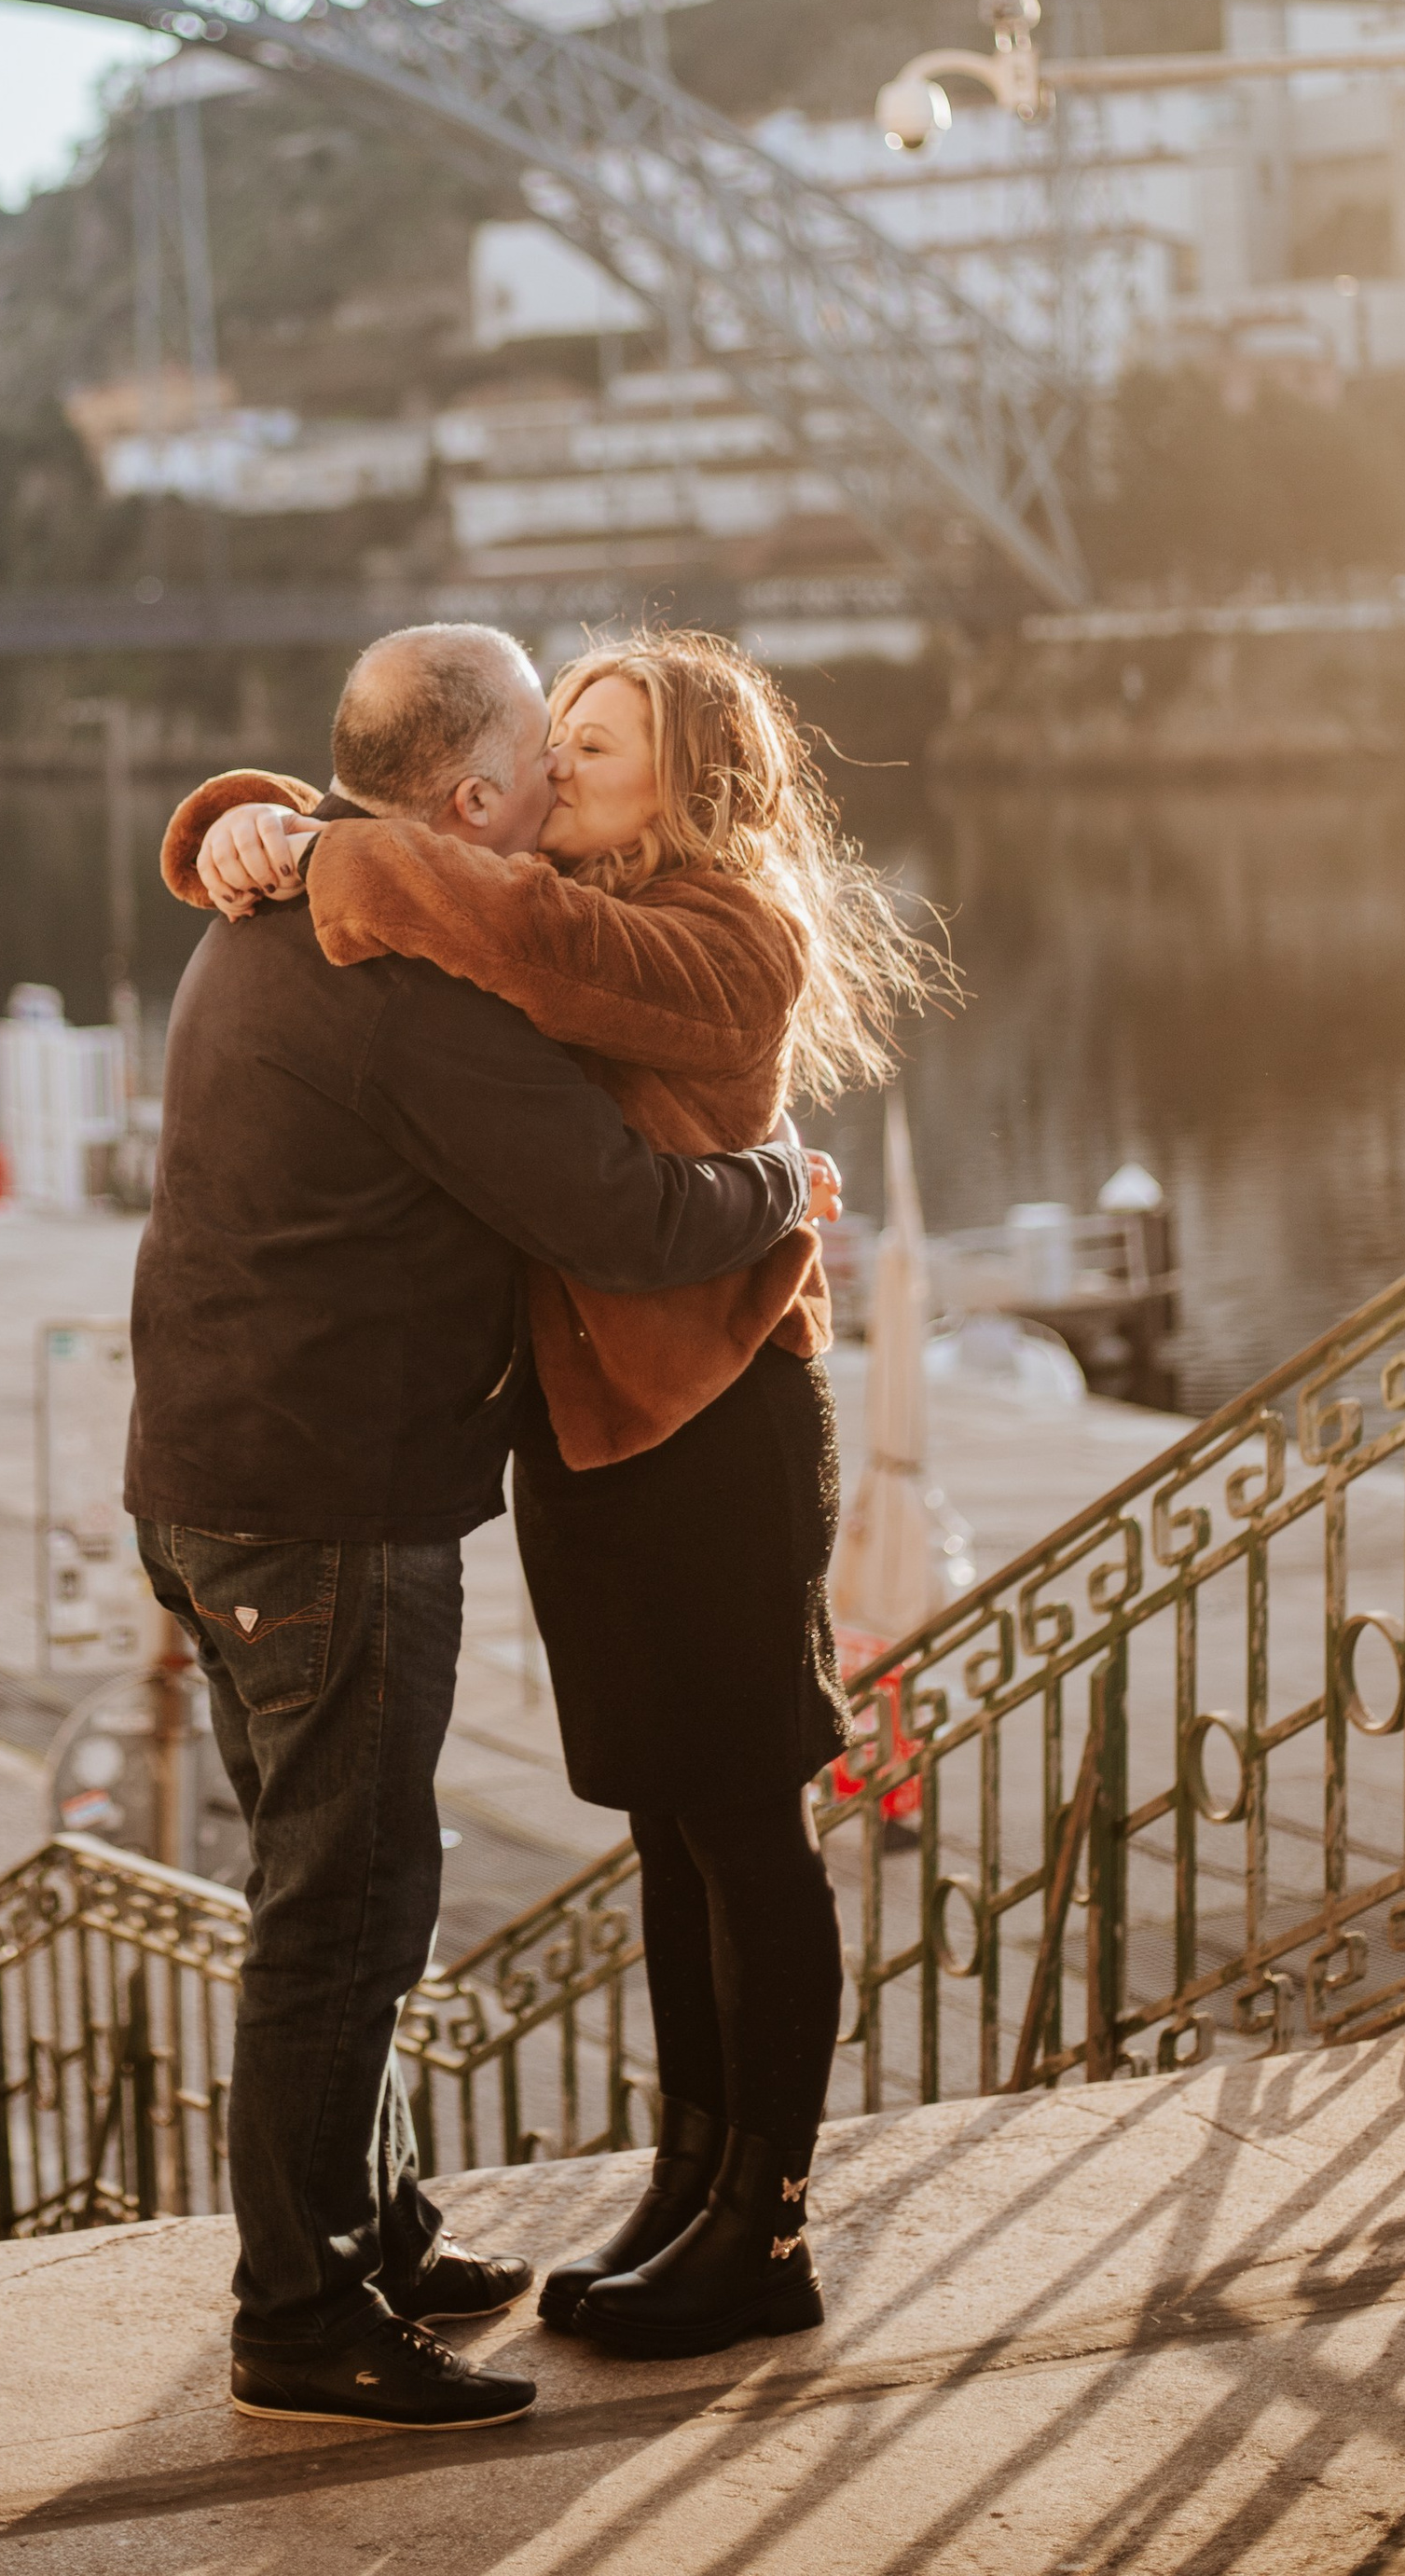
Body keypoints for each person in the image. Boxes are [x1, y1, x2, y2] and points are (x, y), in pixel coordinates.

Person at [179, 623, 931, 2366]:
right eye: (558, 733)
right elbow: (453, 869)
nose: (566, 765)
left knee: (745, 1824)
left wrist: (323, 839)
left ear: (698, 779)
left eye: (604, 739)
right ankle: (688, 2183)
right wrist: (246, 816)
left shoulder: (726, 935)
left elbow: (510, 918)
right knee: (668, 1821)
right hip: (593, 1435)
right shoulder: (533, 903)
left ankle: (770, 2225)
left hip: (721, 1421)